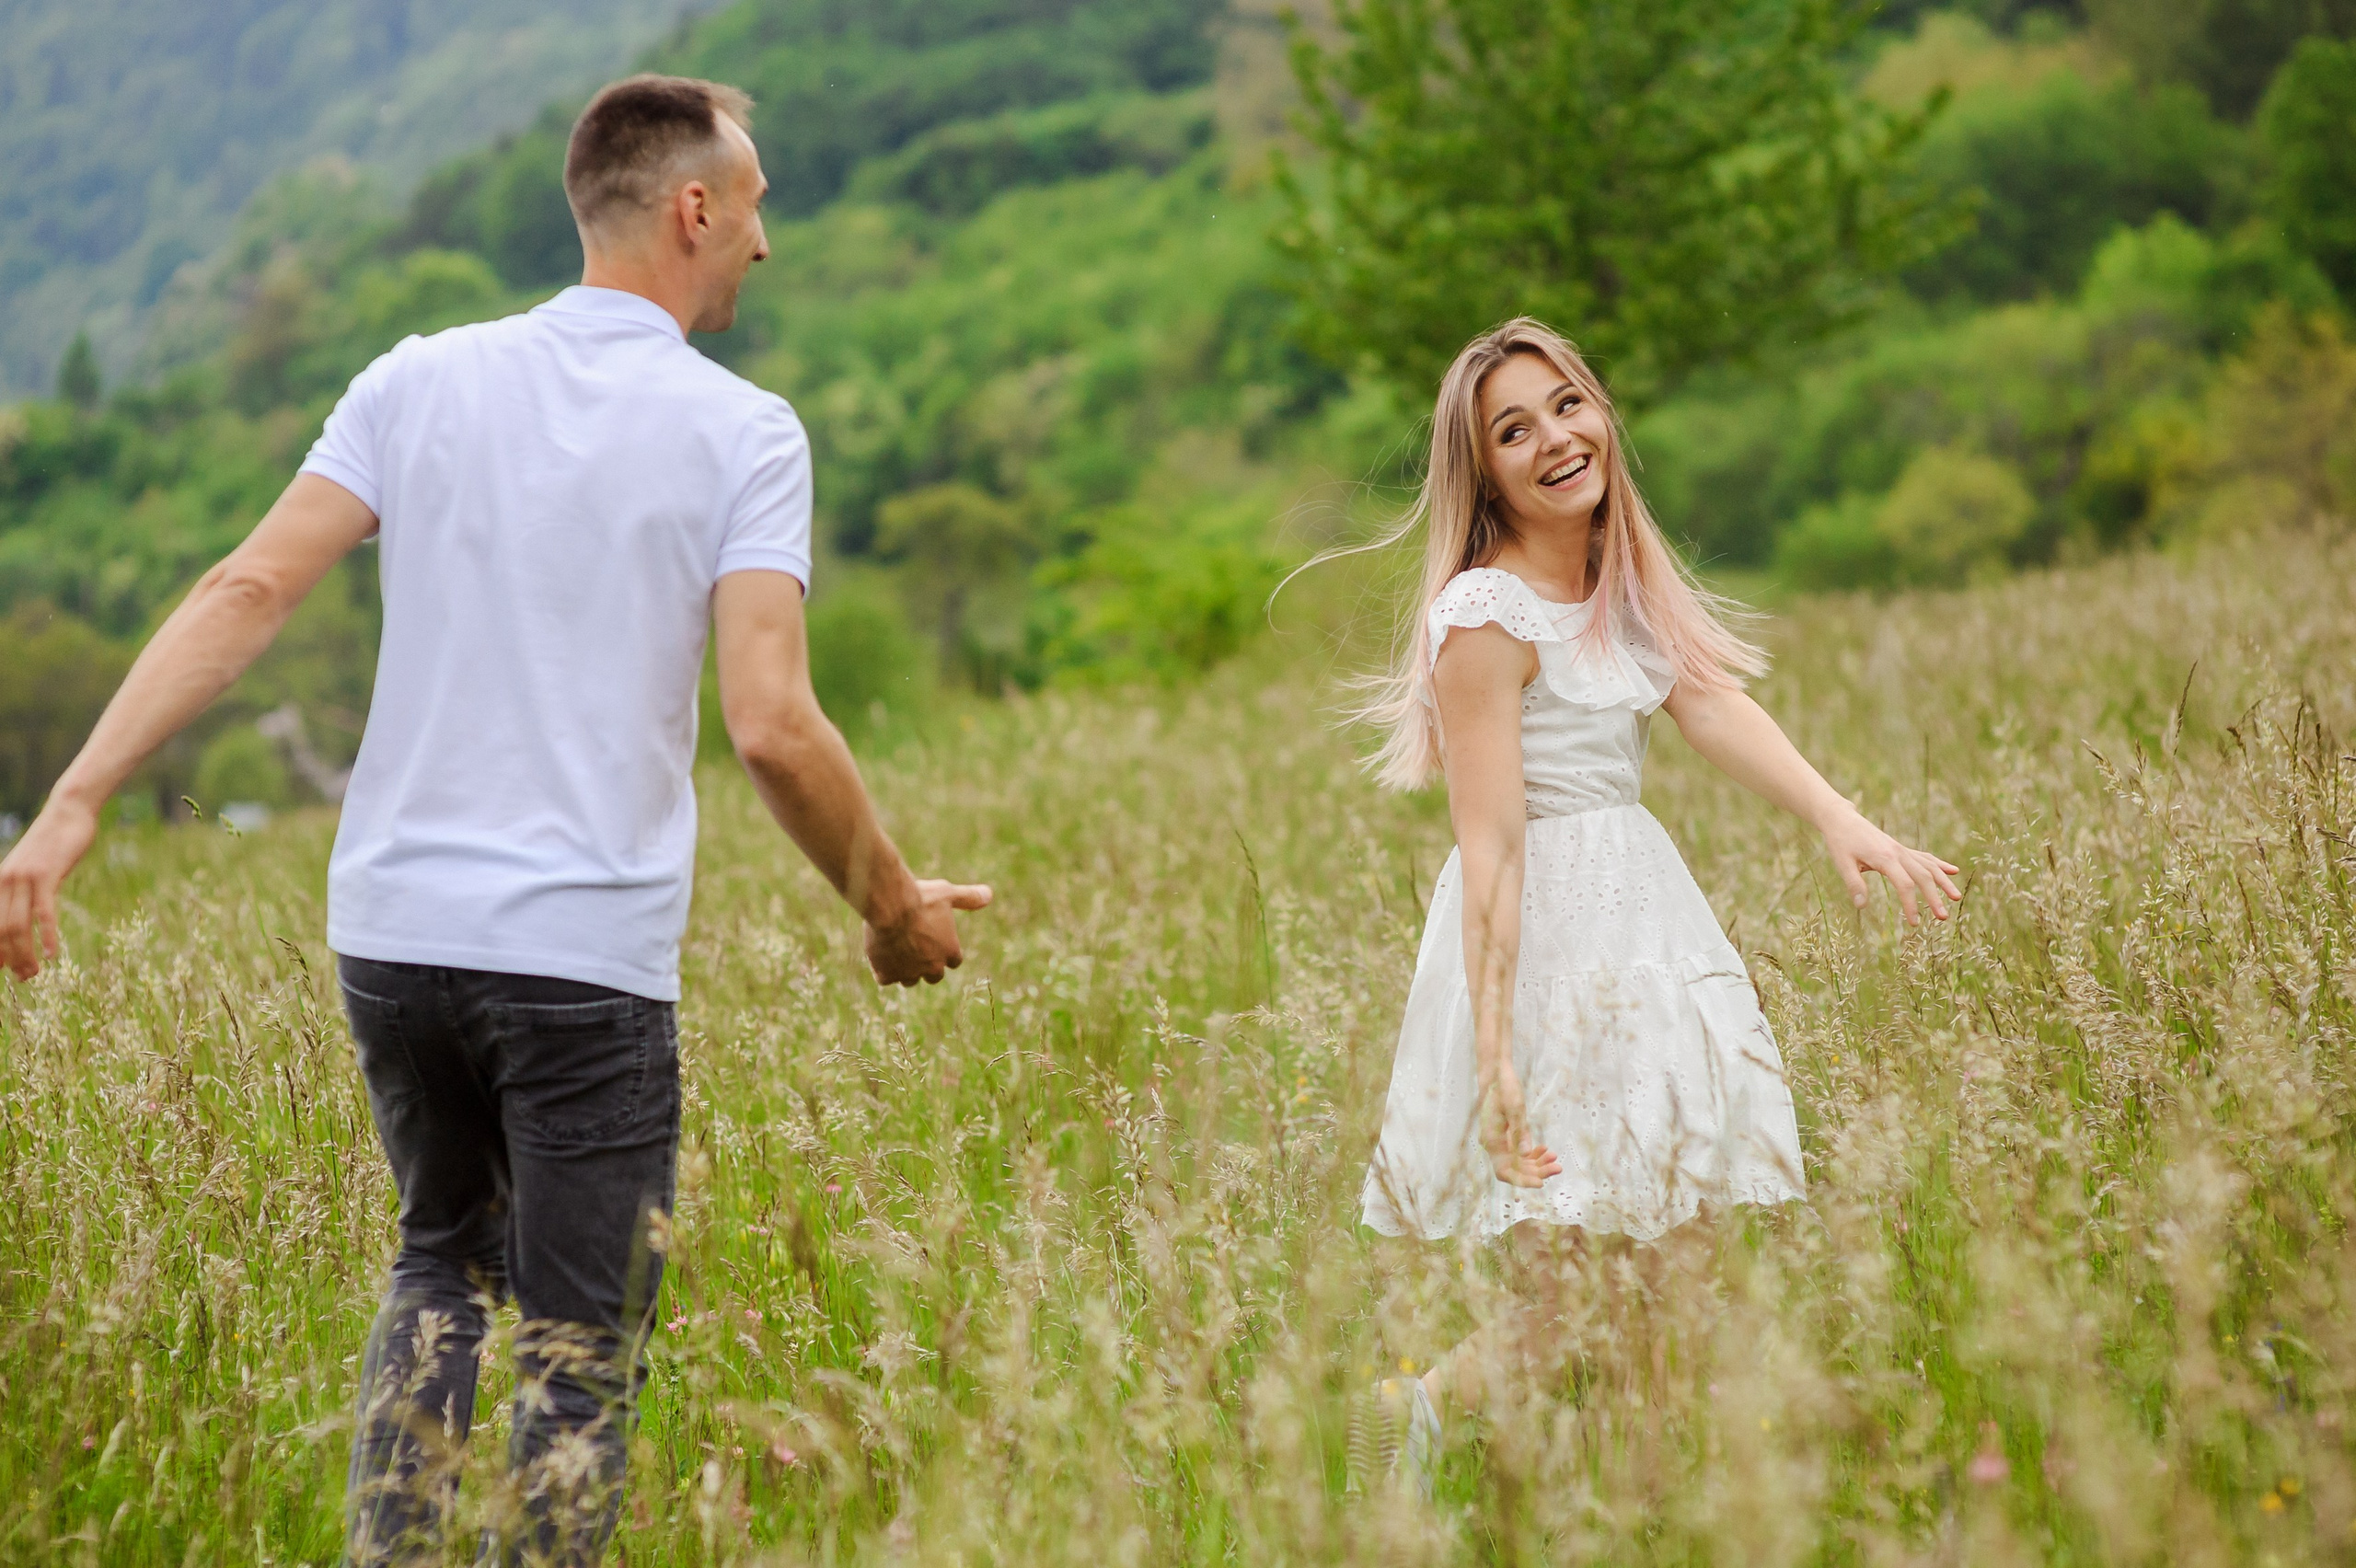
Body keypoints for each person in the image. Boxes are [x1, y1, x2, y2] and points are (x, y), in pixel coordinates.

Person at [0, 74, 990, 1564]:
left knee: (441, 1269)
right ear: (694, 207)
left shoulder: (418, 379)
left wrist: (71, 801)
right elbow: (773, 724)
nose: (764, 241)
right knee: (578, 1356)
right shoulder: (745, 432)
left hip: (396, 936)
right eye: (756, 206)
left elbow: (247, 586)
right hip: (580, 958)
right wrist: (893, 907)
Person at [1349, 318, 1959, 1487]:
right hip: (1550, 951)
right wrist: (1495, 1054)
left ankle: (1618, 1473)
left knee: (1678, 1250)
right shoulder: (1485, 615)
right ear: (1484, 473)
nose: (1554, 440)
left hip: (1645, 931)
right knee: (1588, 1271)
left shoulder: (1613, 581)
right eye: (1513, 432)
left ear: (1600, 412)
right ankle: (1422, 1418)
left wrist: (1840, 818)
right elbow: (1490, 844)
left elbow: (1709, 702)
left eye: (1567, 405)